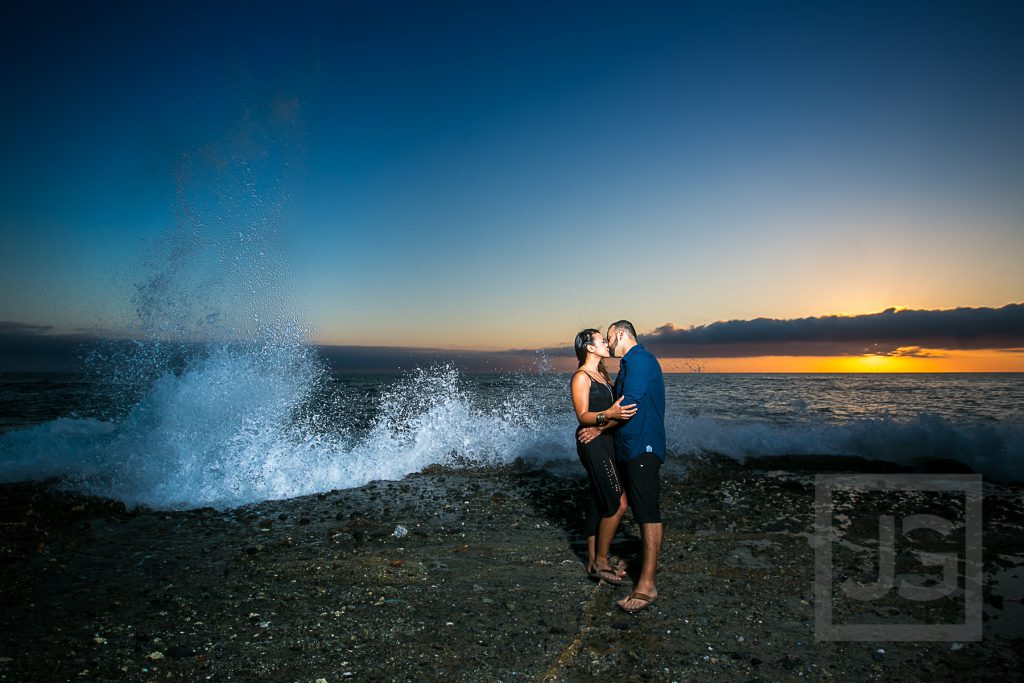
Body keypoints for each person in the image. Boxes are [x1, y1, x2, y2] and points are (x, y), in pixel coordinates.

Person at [607, 320, 666, 613]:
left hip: (644, 446)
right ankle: (639, 561)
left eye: (610, 339)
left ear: (621, 334)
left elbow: (627, 406)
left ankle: (647, 585)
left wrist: (598, 425)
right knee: (629, 506)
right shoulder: (628, 365)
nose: (608, 346)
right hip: (629, 447)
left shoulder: (641, 360)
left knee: (647, 513)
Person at [571, 328, 637, 584]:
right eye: (601, 340)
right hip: (592, 443)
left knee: (598, 500)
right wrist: (608, 415)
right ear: (589, 347)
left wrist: (607, 424)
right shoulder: (581, 377)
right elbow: (582, 416)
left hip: (607, 440)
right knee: (618, 504)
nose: (607, 344)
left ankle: (591, 561)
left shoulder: (602, 374)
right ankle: (600, 561)